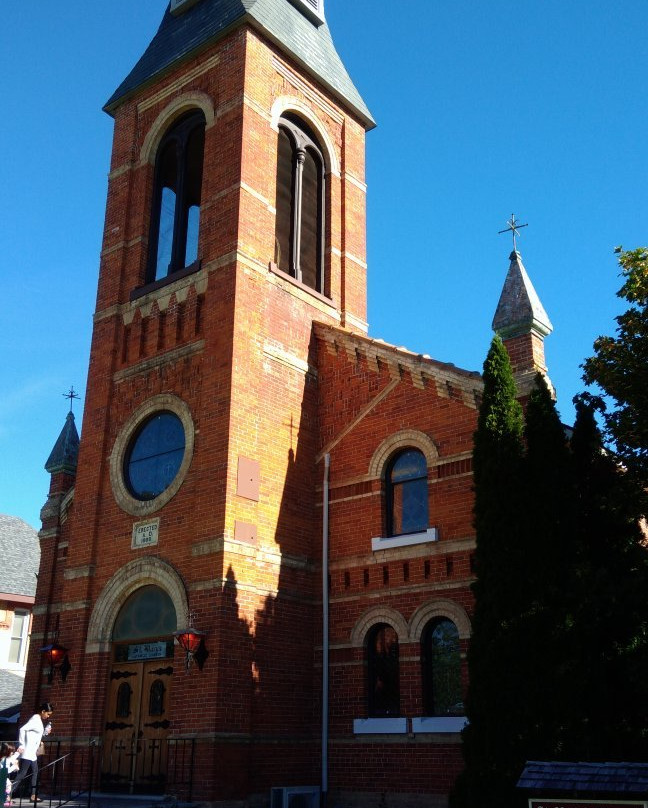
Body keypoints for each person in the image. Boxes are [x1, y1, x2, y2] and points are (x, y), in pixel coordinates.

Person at [11, 703, 53, 803]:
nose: (48, 716)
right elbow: (22, 729)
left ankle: (33, 795)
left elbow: (35, 734)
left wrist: (45, 732)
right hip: (27, 752)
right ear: (43, 711)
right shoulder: (35, 719)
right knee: (22, 773)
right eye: (48, 714)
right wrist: (21, 745)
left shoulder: (38, 720)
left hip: (32, 753)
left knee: (35, 772)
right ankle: (7, 794)